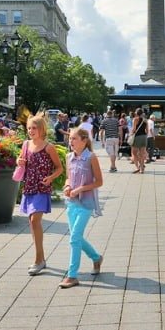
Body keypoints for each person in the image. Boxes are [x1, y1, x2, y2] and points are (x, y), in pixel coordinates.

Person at [18, 114, 63, 276]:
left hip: (42, 188)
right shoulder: (25, 145)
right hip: (29, 187)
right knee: (32, 222)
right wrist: (19, 162)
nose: (31, 131)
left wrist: (51, 178)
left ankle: (38, 260)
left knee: (35, 220)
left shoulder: (48, 147)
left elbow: (59, 168)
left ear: (42, 129)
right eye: (29, 128)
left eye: (34, 128)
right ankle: (41, 258)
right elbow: (21, 160)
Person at [59, 127, 104, 289]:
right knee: (76, 237)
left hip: (86, 203)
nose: (70, 142)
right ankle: (96, 257)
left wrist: (80, 189)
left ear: (84, 141)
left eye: (74, 139)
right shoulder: (68, 157)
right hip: (71, 203)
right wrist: (67, 187)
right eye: (70, 139)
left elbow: (99, 182)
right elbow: (68, 178)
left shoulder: (91, 157)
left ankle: (72, 276)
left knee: (74, 238)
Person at [130, 108, 148, 174]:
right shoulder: (145, 120)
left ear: (136, 113)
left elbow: (134, 129)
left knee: (134, 153)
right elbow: (147, 131)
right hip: (144, 137)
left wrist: (130, 134)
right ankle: (142, 169)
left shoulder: (135, 119)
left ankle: (138, 167)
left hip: (137, 137)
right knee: (142, 154)